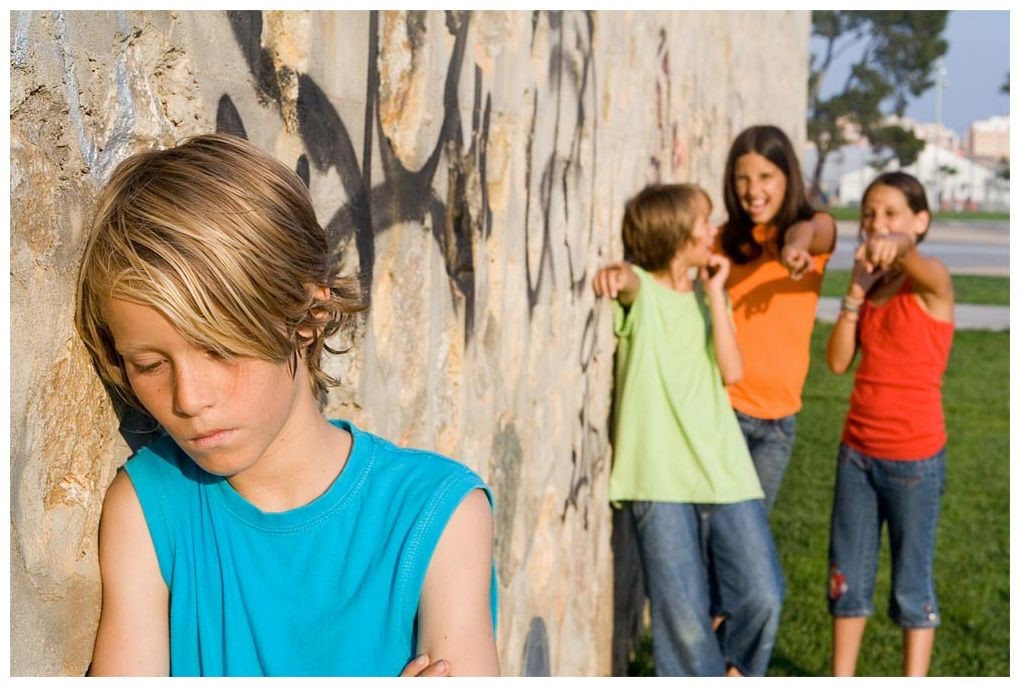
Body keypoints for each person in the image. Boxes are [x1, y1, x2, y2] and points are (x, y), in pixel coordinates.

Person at [74, 133, 499, 677]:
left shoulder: (439, 515)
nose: (188, 399)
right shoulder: (149, 510)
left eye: (221, 349)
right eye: (150, 366)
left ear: (307, 317)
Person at [594, 184, 784, 677]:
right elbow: (629, 282)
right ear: (676, 234)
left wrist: (716, 296)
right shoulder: (644, 292)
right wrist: (616, 273)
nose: (713, 230)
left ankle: (736, 670)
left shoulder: (706, 300)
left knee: (763, 594)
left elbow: (733, 370)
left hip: (725, 469)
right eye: (703, 222)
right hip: (659, 477)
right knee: (684, 623)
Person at [825, 171, 953, 677]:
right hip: (857, 455)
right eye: (868, 215)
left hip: (914, 460)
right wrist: (854, 296)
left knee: (910, 583)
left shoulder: (932, 282)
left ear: (921, 221)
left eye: (892, 213)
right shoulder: (872, 286)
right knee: (846, 580)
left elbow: (912, 257)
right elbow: (837, 363)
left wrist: (898, 244)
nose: (876, 224)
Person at [717, 125, 837, 513]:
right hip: (726, 411)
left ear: (788, 178)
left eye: (766, 177)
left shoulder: (813, 237)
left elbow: (815, 228)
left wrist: (795, 246)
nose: (754, 191)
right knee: (721, 535)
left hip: (780, 423)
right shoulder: (725, 241)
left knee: (749, 534)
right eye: (743, 179)